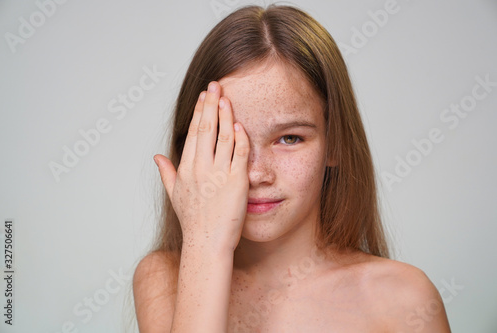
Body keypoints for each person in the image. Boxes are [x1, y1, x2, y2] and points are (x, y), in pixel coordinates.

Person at [133, 4, 451, 332]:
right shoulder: (165, 278)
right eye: (226, 140)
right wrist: (204, 242)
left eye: (289, 138)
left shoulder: (403, 299)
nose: (256, 174)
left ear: (335, 143)